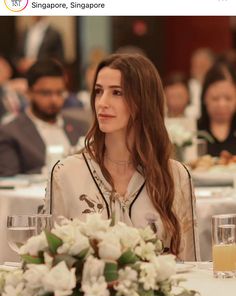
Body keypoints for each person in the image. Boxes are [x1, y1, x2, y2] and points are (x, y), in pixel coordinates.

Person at [44, 53, 200, 262]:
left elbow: (190, 266)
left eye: (117, 92)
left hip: (159, 293)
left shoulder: (176, 176)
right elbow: (50, 265)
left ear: (143, 100)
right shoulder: (66, 174)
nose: (102, 103)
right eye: (99, 91)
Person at [0, 59, 89, 176]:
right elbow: (8, 180)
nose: (54, 100)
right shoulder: (11, 132)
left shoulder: (80, 127)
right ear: (28, 93)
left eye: (59, 93)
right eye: (46, 93)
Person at [198, 61, 236, 156]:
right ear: (204, 98)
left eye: (228, 98)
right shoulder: (192, 132)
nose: (221, 104)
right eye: (215, 98)